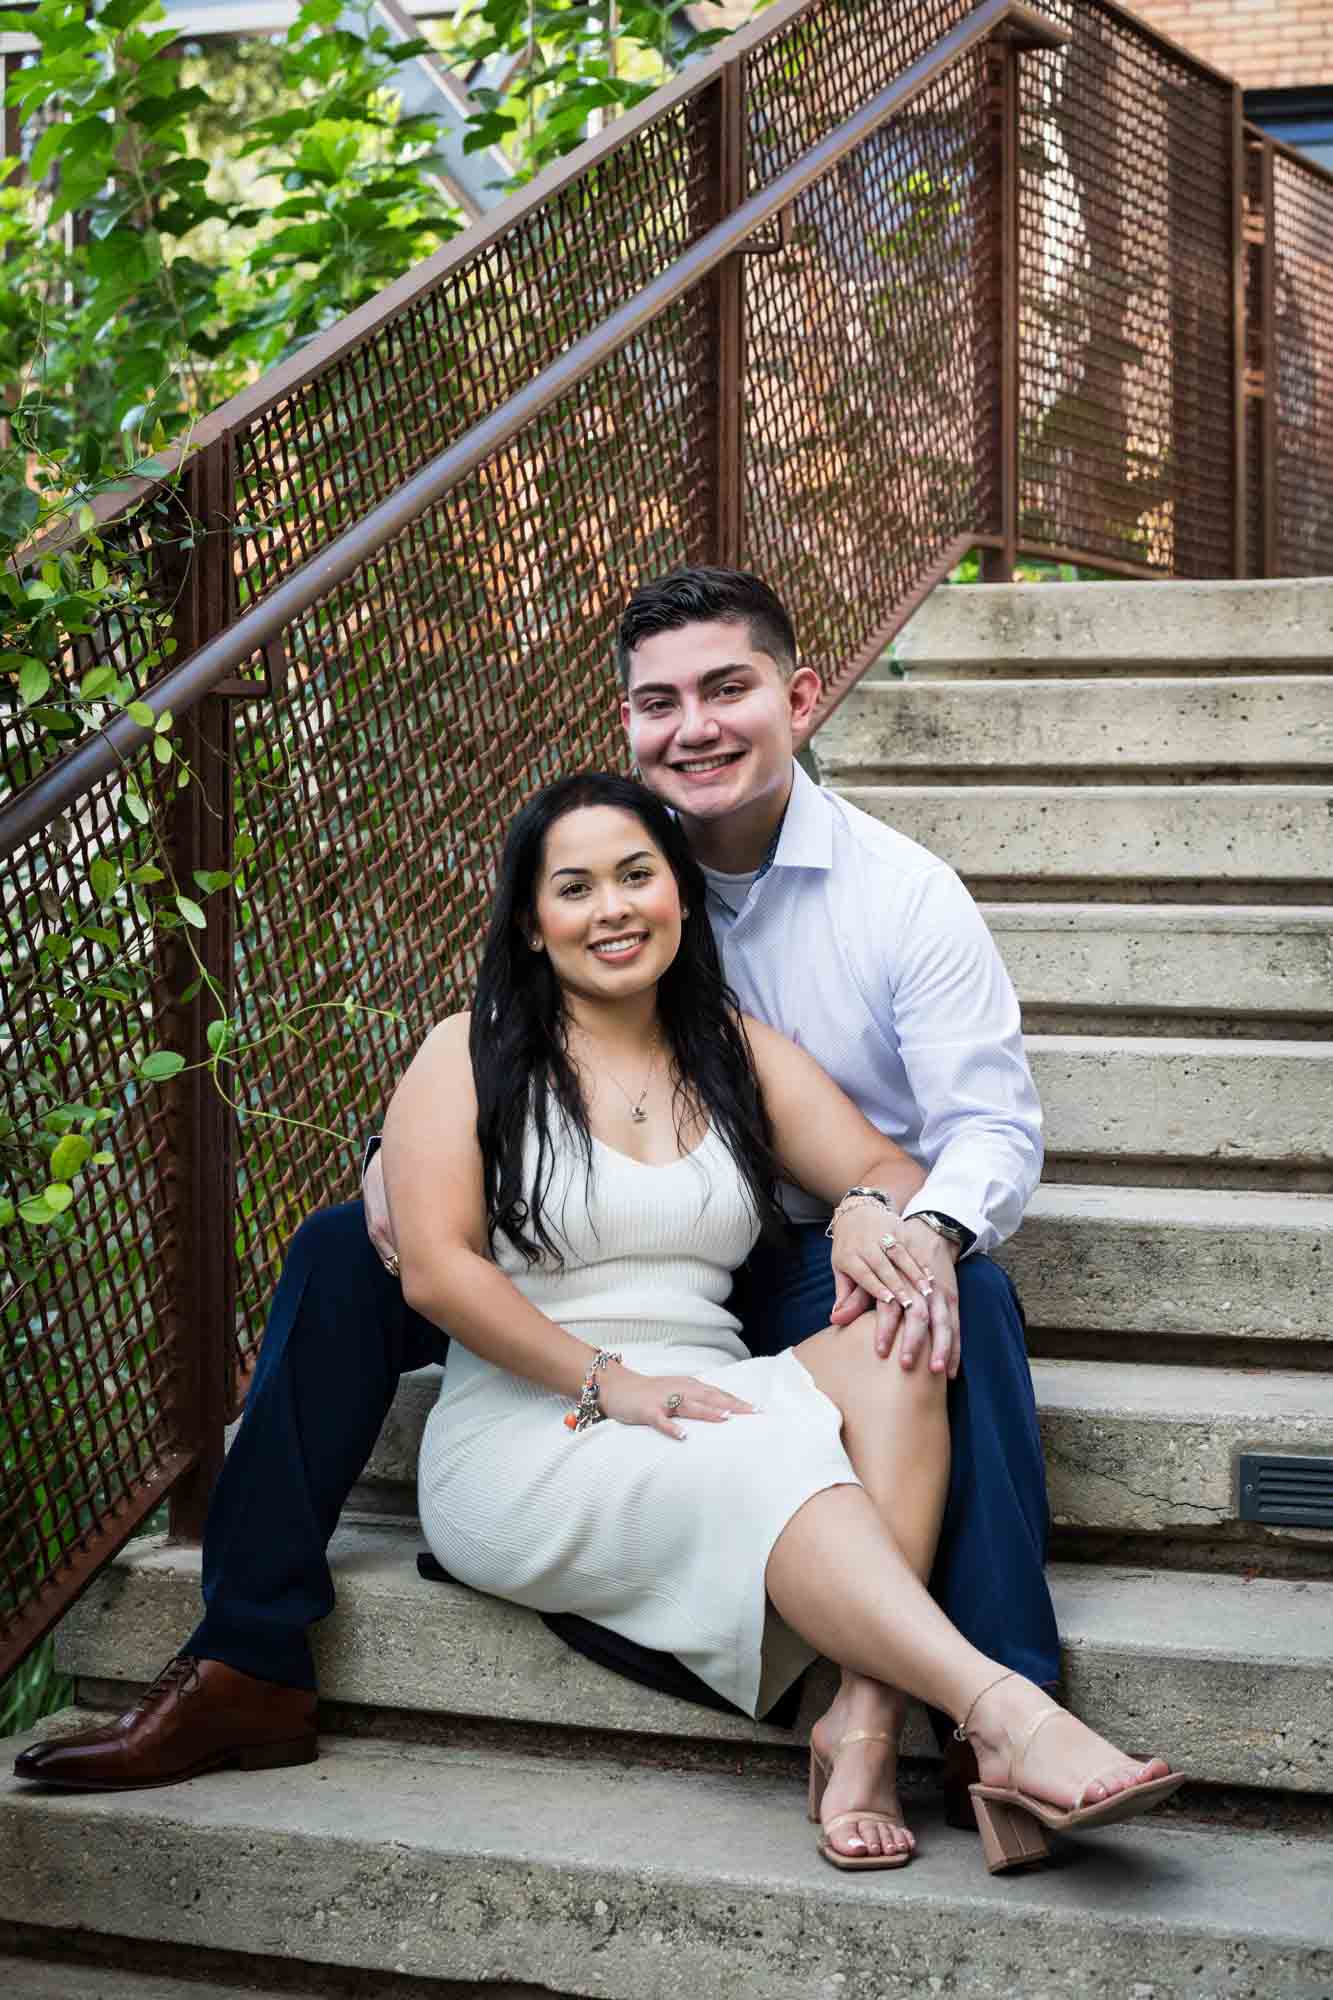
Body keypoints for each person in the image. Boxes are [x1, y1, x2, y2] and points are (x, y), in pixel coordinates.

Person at [15, 569, 1055, 1851]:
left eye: (727, 690)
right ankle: (249, 1653)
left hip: (786, 1240)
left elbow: (987, 1130)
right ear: (625, 723)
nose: (695, 728)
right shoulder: (613, 860)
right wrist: (391, 1155)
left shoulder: (899, 896)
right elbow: (516, 1059)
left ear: (794, 697)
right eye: (658, 702)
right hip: (601, 1236)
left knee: (956, 1298)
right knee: (348, 1249)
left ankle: (998, 1695)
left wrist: (895, 1221)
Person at [394, 771, 1182, 1873]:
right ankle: (1004, 1711)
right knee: (759, 1451)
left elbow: (885, 1162)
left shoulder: (730, 1050)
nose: (611, 907)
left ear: (679, 893)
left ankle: (860, 1718)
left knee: (899, 1322)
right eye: (574, 887)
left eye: (636, 875)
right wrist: (609, 1379)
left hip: (710, 1390)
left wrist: (865, 1208)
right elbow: (435, 1269)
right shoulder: (463, 1053)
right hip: (539, 1423)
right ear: (531, 921)